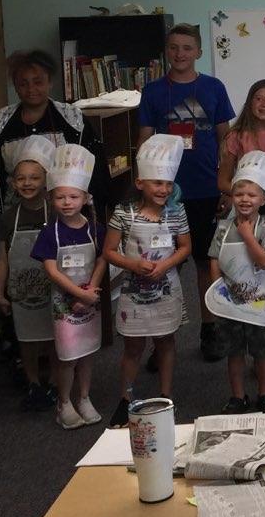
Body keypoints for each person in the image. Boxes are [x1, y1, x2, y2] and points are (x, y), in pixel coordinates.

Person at [138, 23, 235, 361]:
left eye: (187, 48)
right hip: (166, 193)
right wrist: (148, 193)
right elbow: (144, 143)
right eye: (174, 47)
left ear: (198, 52)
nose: (180, 54)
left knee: (204, 263)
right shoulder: (152, 92)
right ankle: (159, 337)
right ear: (167, 50)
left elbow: (228, 140)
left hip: (207, 188)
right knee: (163, 265)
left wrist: (227, 186)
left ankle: (209, 330)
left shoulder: (213, 87)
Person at [0, 48, 109, 249]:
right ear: (15, 86)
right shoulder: (0, 125)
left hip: (67, 216)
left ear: (50, 81)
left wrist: (93, 214)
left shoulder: (72, 120)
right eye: (23, 83)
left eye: (38, 82)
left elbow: (96, 171)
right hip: (15, 218)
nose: (31, 89)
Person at [103, 134, 192, 426]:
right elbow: (108, 251)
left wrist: (164, 265)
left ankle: (166, 398)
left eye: (168, 184)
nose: (164, 189)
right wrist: (133, 264)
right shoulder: (123, 214)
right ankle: (126, 398)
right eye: (157, 183)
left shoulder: (177, 212)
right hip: (133, 291)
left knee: (166, 341)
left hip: (166, 290)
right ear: (140, 183)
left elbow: (185, 248)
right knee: (133, 347)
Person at [206, 150, 265, 414]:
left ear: (263, 199)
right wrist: (218, 291)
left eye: (251, 195)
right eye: (239, 194)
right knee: (234, 353)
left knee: (262, 352)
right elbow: (214, 258)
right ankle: (238, 396)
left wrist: (248, 236)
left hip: (259, 301)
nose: (244, 200)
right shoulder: (223, 227)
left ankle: (264, 393)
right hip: (229, 303)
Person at [35, 144, 105, 430]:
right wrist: (80, 295)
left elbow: (102, 259)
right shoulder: (49, 233)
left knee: (87, 352)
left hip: (90, 298)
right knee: (67, 356)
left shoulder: (94, 228)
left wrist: (92, 290)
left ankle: (84, 397)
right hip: (64, 303)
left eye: (73, 196)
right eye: (60, 197)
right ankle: (64, 401)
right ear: (51, 199)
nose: (67, 202)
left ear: (85, 198)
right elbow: (51, 270)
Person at [0, 135, 58, 412]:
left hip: (53, 288)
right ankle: (33, 383)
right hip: (21, 291)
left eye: (34, 177)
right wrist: (0, 291)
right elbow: (2, 257)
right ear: (13, 182)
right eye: (21, 178)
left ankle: (55, 383)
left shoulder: (56, 212)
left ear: (46, 179)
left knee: (55, 338)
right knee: (27, 340)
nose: (27, 183)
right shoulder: (9, 217)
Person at [218, 78, 265, 194]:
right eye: (259, 99)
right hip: (249, 206)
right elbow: (223, 182)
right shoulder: (236, 136)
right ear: (250, 102)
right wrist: (246, 196)